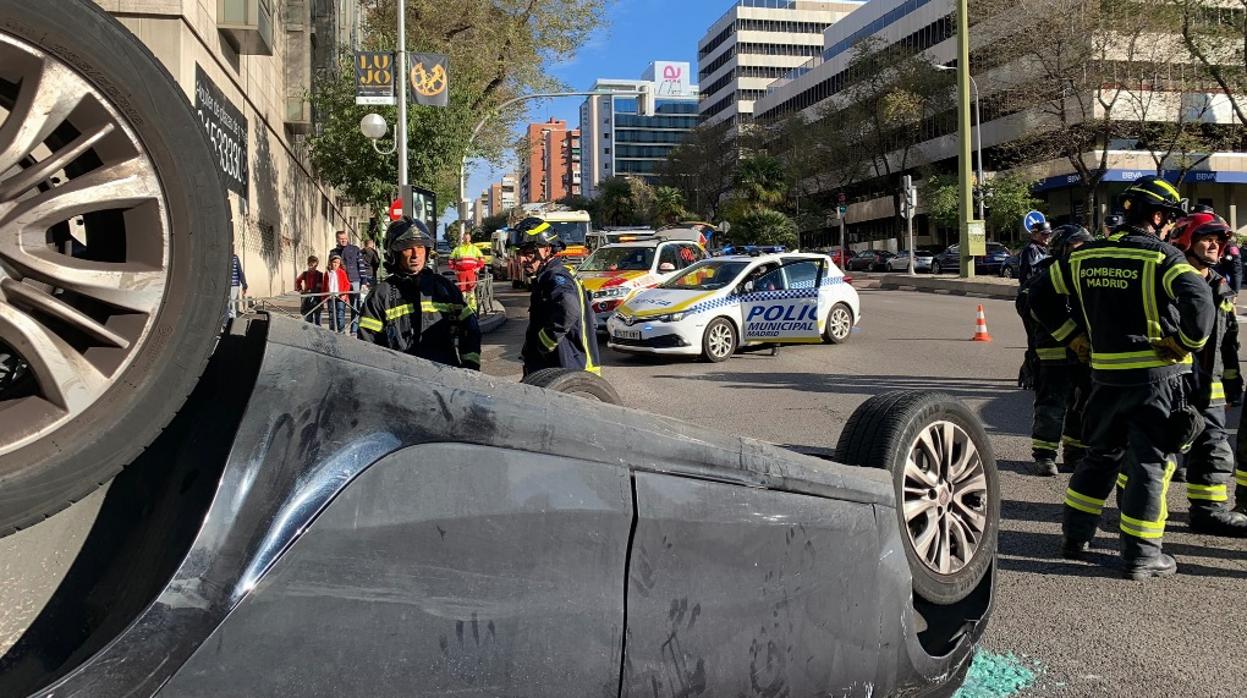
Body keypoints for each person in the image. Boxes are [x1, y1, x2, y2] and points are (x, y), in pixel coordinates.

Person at [1028, 174, 1214, 580]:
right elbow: (1200, 305)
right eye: (1170, 220)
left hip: (1105, 378)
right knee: (1149, 462)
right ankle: (1143, 555)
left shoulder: (1083, 256)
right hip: (1156, 381)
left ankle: (1075, 538)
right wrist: (1184, 342)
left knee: (1099, 457)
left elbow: (1037, 295)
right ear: (1160, 216)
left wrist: (1073, 338)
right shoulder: (1162, 258)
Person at [1153, 212, 1247, 536]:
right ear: (1185, 240)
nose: (1215, 245)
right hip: (1172, 380)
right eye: (1207, 237)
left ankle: (1208, 512)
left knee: (1214, 448)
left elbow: (1229, 341)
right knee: (1159, 451)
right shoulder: (1167, 280)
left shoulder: (1221, 286)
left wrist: (1233, 383)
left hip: (1210, 383)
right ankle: (1143, 514)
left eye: (1220, 240)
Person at [1016, 225, 1094, 476]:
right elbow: (1034, 310)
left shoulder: (1087, 273)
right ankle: (1044, 455)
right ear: (1062, 249)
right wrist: (1071, 337)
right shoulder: (1045, 276)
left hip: (1084, 354)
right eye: (1077, 246)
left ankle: (1075, 451)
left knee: (1081, 405)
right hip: (1053, 352)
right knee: (1052, 405)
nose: (1083, 251)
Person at [358, 218, 481, 370]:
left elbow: (470, 330)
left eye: (421, 247)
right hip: (402, 383)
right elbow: (367, 344)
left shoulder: (445, 289)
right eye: (408, 248)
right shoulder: (380, 295)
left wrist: (470, 368)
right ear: (394, 253)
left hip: (445, 381)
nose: (416, 254)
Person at [513, 216, 600, 377]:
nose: (521, 259)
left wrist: (544, 345)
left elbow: (569, 308)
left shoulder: (555, 276)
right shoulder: (550, 275)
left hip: (565, 369)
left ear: (547, 249)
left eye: (528, 253)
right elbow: (592, 321)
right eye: (519, 253)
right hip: (563, 369)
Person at [330, 230, 373, 335]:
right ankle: (341, 330)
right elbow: (330, 268)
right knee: (340, 306)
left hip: (355, 280)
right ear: (337, 239)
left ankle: (354, 329)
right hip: (340, 283)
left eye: (345, 237)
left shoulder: (355, 249)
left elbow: (361, 265)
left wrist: (364, 281)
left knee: (355, 306)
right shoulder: (333, 252)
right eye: (341, 238)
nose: (344, 240)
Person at [449, 230, 486, 304]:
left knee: (471, 289)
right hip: (461, 272)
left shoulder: (474, 248)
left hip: (472, 272)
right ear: (462, 238)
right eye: (465, 238)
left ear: (470, 239)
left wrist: (478, 268)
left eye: (468, 238)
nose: (466, 239)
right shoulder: (457, 249)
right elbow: (451, 260)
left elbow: (482, 259)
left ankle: (472, 306)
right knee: (462, 289)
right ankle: (463, 304)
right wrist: (454, 269)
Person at [1017, 221, 1052, 286]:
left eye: (1049, 234)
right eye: (1044, 234)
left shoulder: (1045, 249)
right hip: (1034, 291)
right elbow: (1030, 275)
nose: (1047, 236)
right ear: (1034, 235)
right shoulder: (1031, 250)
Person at [324, 254, 351, 333]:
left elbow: (347, 284)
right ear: (330, 262)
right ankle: (332, 331)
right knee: (332, 316)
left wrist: (344, 294)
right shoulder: (327, 273)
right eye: (334, 262)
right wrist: (324, 300)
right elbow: (324, 287)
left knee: (340, 315)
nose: (335, 264)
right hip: (330, 298)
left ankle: (341, 332)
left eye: (338, 263)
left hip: (340, 298)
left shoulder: (342, 272)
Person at [295, 255, 325, 326]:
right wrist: (300, 289)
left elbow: (324, 284)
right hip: (307, 297)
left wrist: (321, 287)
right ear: (308, 264)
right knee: (308, 317)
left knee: (318, 317)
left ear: (317, 264)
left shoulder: (320, 274)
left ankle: (318, 333)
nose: (312, 266)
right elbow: (298, 280)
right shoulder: (305, 273)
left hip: (317, 298)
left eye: (314, 264)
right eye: (310, 264)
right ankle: (309, 333)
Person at [229, 247, 247, 319]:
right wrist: (244, 284)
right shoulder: (235, 257)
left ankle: (231, 320)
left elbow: (240, 271)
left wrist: (244, 285)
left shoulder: (234, 258)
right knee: (231, 302)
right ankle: (230, 320)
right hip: (234, 285)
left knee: (230, 302)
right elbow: (240, 271)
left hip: (233, 285)